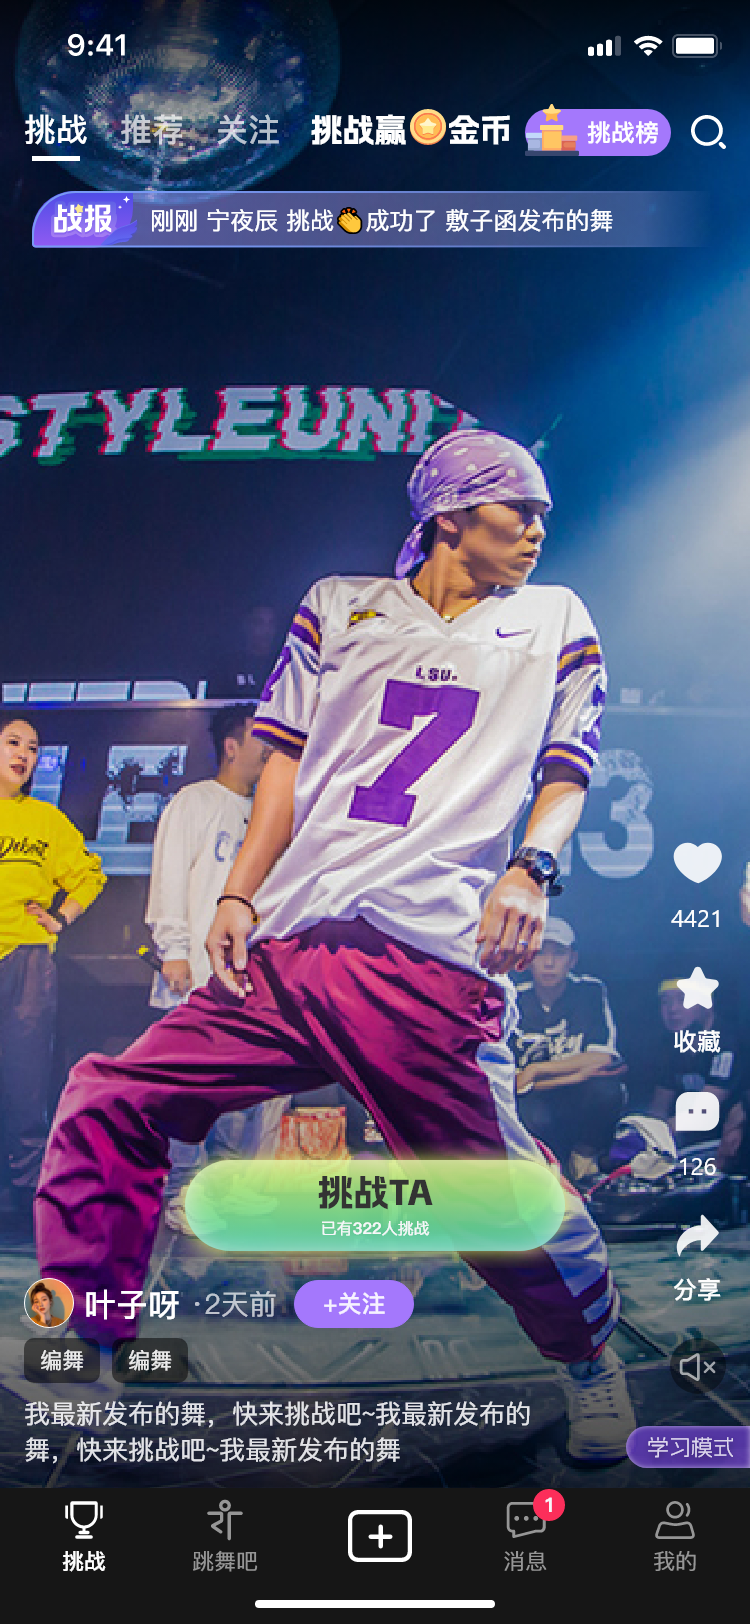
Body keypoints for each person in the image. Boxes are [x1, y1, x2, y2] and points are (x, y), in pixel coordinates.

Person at [36, 427, 634, 1462]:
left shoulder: (555, 618)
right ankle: (91, 1344)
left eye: (543, 512)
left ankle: (588, 1357)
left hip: (424, 961)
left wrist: (531, 867)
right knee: (110, 1100)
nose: (541, 529)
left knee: (493, 1194)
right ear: (450, 515)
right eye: (520, 509)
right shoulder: (339, 605)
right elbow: (281, 768)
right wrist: (238, 892)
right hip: (294, 946)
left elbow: (566, 768)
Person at [145, 704, 290, 1232]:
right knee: (193, 1087)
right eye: (259, 738)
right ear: (231, 745)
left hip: (255, 978)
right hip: (198, 974)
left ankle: (235, 1194)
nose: (269, 750)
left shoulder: (272, 812)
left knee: (254, 1090)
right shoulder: (195, 801)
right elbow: (169, 875)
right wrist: (173, 949)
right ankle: (183, 1192)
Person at [0, 714, 105, 1227]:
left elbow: (90, 875)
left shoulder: (45, 820)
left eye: (33, 747)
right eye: (13, 743)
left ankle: (24, 1200)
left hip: (27, 959)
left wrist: (62, 917)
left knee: (25, 1084)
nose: (24, 754)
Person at [513, 918, 627, 1180]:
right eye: (541, 953)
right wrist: (579, 1072)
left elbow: (603, 1058)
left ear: (572, 959)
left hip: (576, 1097)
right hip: (536, 1102)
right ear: (528, 958)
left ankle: (585, 1159)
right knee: (531, 1114)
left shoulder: (589, 991)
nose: (549, 963)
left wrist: (536, 1069)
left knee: (608, 1091)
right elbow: (515, 1084)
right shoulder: (514, 997)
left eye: (559, 953)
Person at [647, 978, 737, 1138]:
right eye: (665, 1002)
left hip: (726, 1138)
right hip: (684, 1138)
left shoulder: (728, 1042)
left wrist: (654, 1133)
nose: (672, 1009)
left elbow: (705, 1108)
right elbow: (659, 1107)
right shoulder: (670, 1045)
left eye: (683, 999)